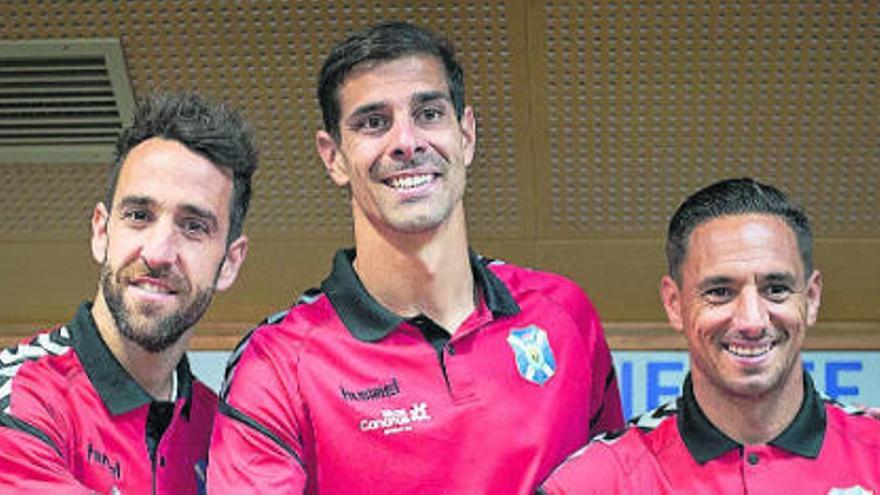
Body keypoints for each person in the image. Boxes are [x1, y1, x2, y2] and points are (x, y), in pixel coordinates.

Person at [207, 21, 623, 493]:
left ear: (465, 135)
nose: (407, 142)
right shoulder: (279, 364)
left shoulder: (563, 314)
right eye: (372, 122)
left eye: (428, 113)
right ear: (334, 158)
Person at [539, 178, 880, 494]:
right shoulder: (597, 482)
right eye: (719, 291)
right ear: (675, 304)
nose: (752, 321)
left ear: (811, 298)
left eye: (775, 289)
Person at [0, 93, 257, 494]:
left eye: (193, 227)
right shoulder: (18, 390)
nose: (157, 254)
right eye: (139, 216)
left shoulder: (228, 433)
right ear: (101, 232)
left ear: (230, 262)